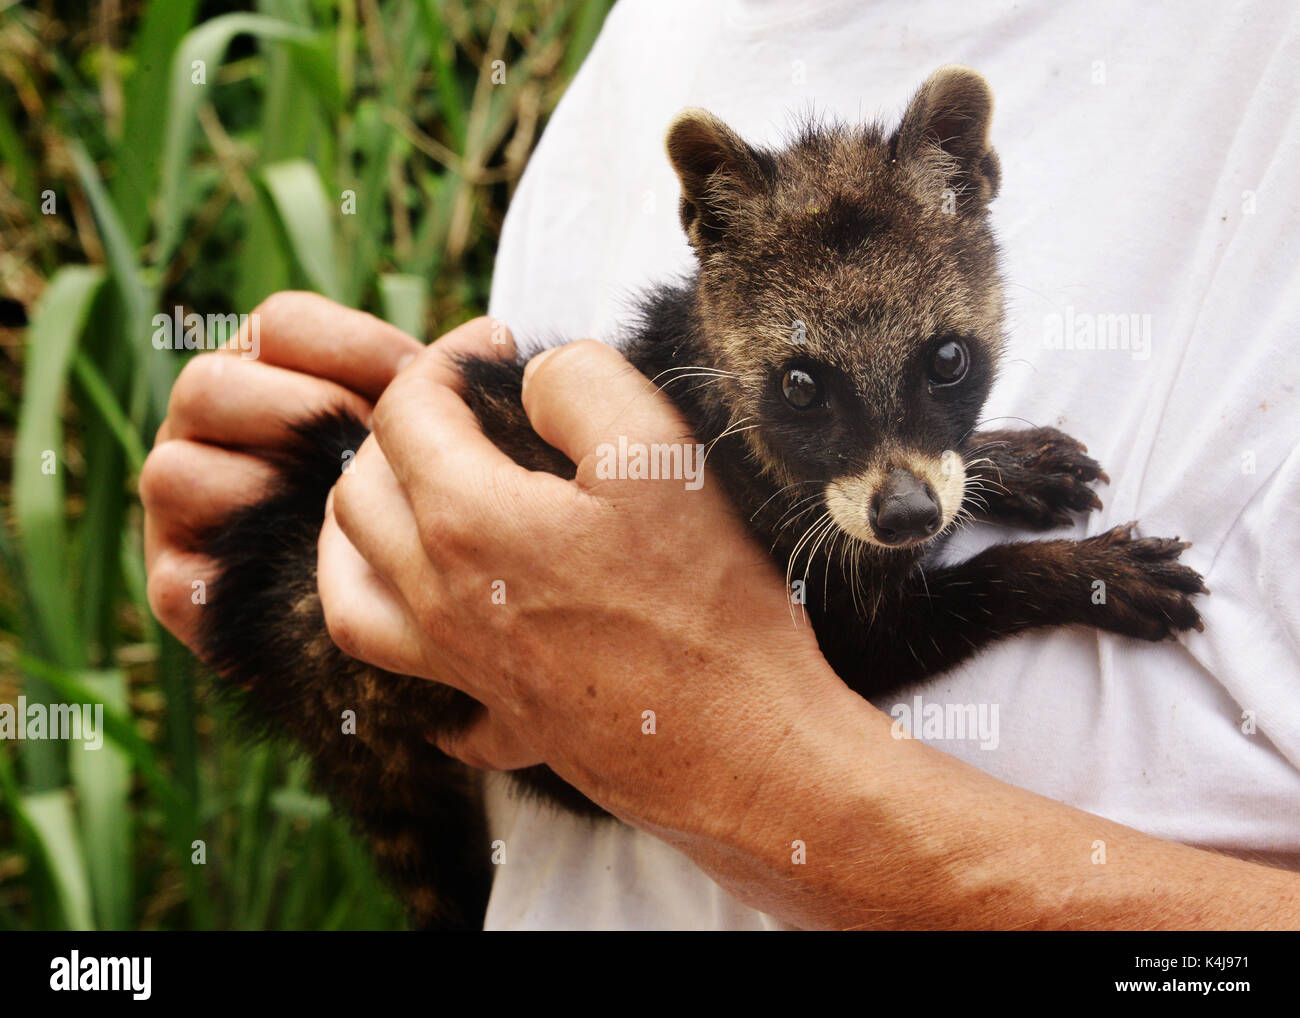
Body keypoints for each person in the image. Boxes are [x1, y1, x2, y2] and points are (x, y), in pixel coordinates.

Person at [141, 0, 1300, 929]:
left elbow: (763, 622)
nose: (903, 479)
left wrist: (743, 765)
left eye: (941, 370)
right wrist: (355, 572)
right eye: (810, 396)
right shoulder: (640, 41)